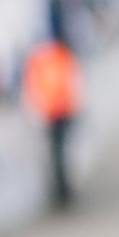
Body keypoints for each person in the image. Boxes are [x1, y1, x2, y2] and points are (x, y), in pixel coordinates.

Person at [22, 35, 82, 208]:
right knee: (58, 153)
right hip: (55, 111)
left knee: (56, 153)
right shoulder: (59, 55)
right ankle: (61, 191)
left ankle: (60, 191)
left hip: (56, 110)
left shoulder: (42, 57)